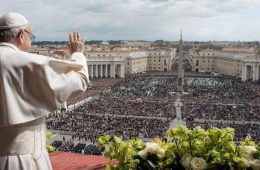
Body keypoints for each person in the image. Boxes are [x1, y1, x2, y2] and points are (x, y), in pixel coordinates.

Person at [0, 12, 89, 170]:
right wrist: (78, 54)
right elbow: (79, 80)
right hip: (20, 160)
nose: (31, 43)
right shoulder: (28, 61)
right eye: (30, 37)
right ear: (21, 35)